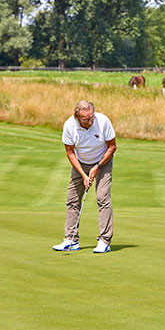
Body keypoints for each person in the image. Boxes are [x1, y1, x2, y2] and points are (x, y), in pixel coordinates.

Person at [53, 100, 117, 253]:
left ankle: (104, 241)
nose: (90, 121)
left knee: (102, 197)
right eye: (86, 119)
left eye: (92, 117)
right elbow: (70, 152)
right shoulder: (69, 126)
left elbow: (112, 146)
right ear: (77, 118)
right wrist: (83, 174)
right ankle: (71, 240)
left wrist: (97, 167)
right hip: (80, 162)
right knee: (73, 199)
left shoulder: (102, 121)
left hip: (103, 162)